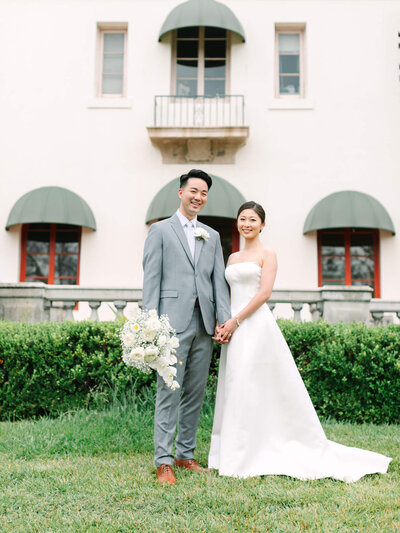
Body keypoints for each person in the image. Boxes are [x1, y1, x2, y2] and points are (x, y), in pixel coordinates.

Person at [209, 201, 391, 481]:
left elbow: (264, 294)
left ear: (262, 225)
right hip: (233, 329)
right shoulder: (232, 258)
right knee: (235, 383)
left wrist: (237, 320)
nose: (246, 224)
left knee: (253, 383)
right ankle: (235, 451)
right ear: (237, 223)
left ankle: (256, 450)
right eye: (242, 219)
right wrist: (223, 324)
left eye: (252, 220)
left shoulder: (268, 254)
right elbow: (225, 294)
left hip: (255, 327)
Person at [143, 169, 231, 485]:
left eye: (204, 193)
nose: (198, 197)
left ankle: (185, 455)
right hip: (170, 324)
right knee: (169, 391)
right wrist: (150, 326)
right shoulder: (160, 230)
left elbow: (218, 282)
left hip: (204, 324)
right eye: (193, 190)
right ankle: (163, 461)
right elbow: (151, 280)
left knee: (195, 393)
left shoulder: (212, 235)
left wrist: (223, 320)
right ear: (181, 193)